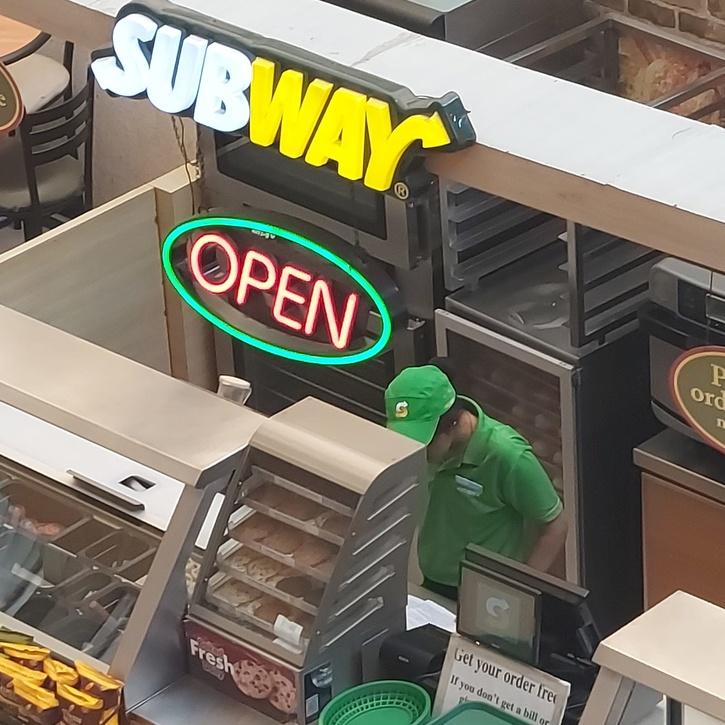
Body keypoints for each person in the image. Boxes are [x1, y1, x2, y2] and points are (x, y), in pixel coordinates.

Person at [385, 364, 567, 600]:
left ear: (451, 424)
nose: (416, 451)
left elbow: (556, 524)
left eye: (424, 442)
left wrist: (521, 589)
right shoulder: (429, 452)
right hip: (434, 581)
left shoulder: (508, 456)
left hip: (490, 591)